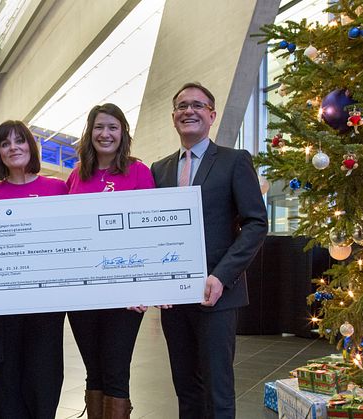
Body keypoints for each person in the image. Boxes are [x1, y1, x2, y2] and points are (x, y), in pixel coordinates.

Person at [150, 82, 268, 418]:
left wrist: (221, 276)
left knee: (218, 390)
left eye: (198, 105)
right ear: (173, 117)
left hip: (217, 294)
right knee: (186, 389)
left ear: (212, 115)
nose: (189, 111)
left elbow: (256, 223)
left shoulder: (234, 161)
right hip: (174, 300)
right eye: (182, 105)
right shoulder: (159, 170)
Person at [66, 103, 155, 418]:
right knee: (94, 369)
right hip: (83, 293)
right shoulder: (76, 176)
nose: (105, 134)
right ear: (90, 132)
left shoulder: (139, 172)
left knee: (116, 368)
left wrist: (143, 285)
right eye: (99, 127)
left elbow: (151, 231)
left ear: (123, 133)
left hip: (124, 293)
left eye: (113, 127)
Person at [0, 120, 67, 418]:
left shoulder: (58, 189)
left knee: (44, 375)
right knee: (5, 377)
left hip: (47, 305)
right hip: (3, 306)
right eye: (5, 143)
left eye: (20, 141)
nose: (13, 147)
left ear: (31, 146)